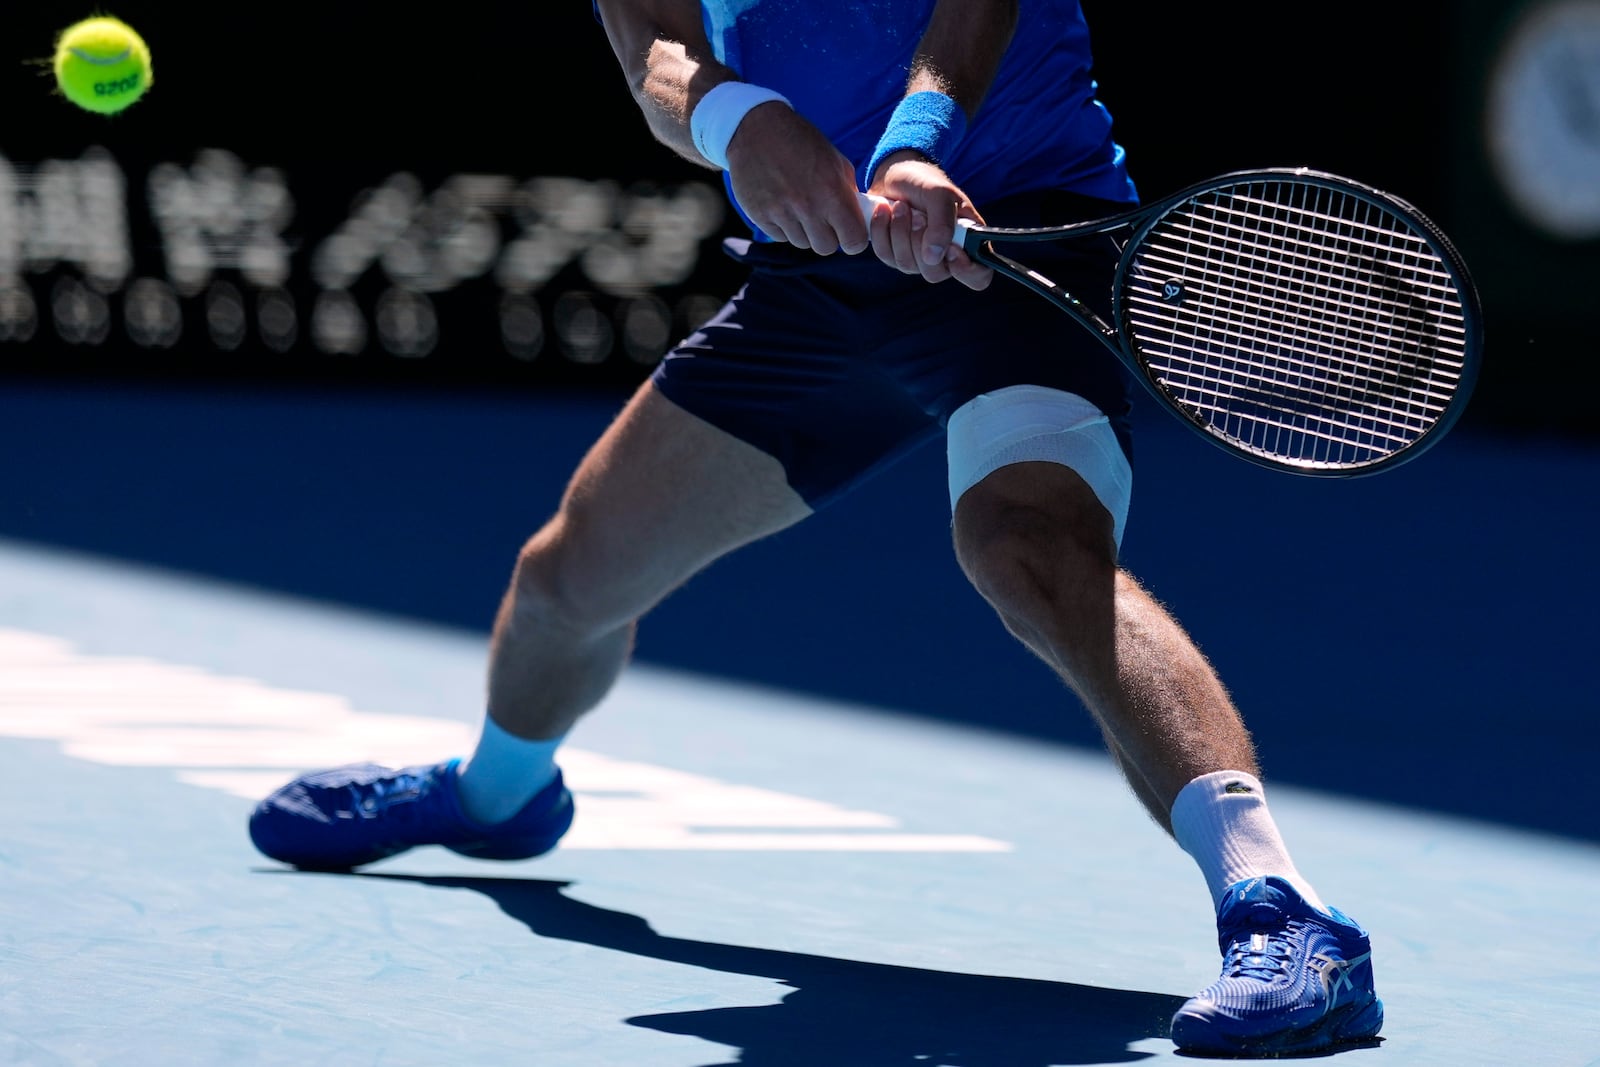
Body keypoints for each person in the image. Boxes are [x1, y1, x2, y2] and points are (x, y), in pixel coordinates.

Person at [248, 0, 1383, 1055]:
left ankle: (1285, 909)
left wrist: (918, 139)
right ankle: (493, 796)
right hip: (822, 279)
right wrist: (742, 117)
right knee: (564, 582)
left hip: (1017, 253)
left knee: (1026, 549)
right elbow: (656, 51)